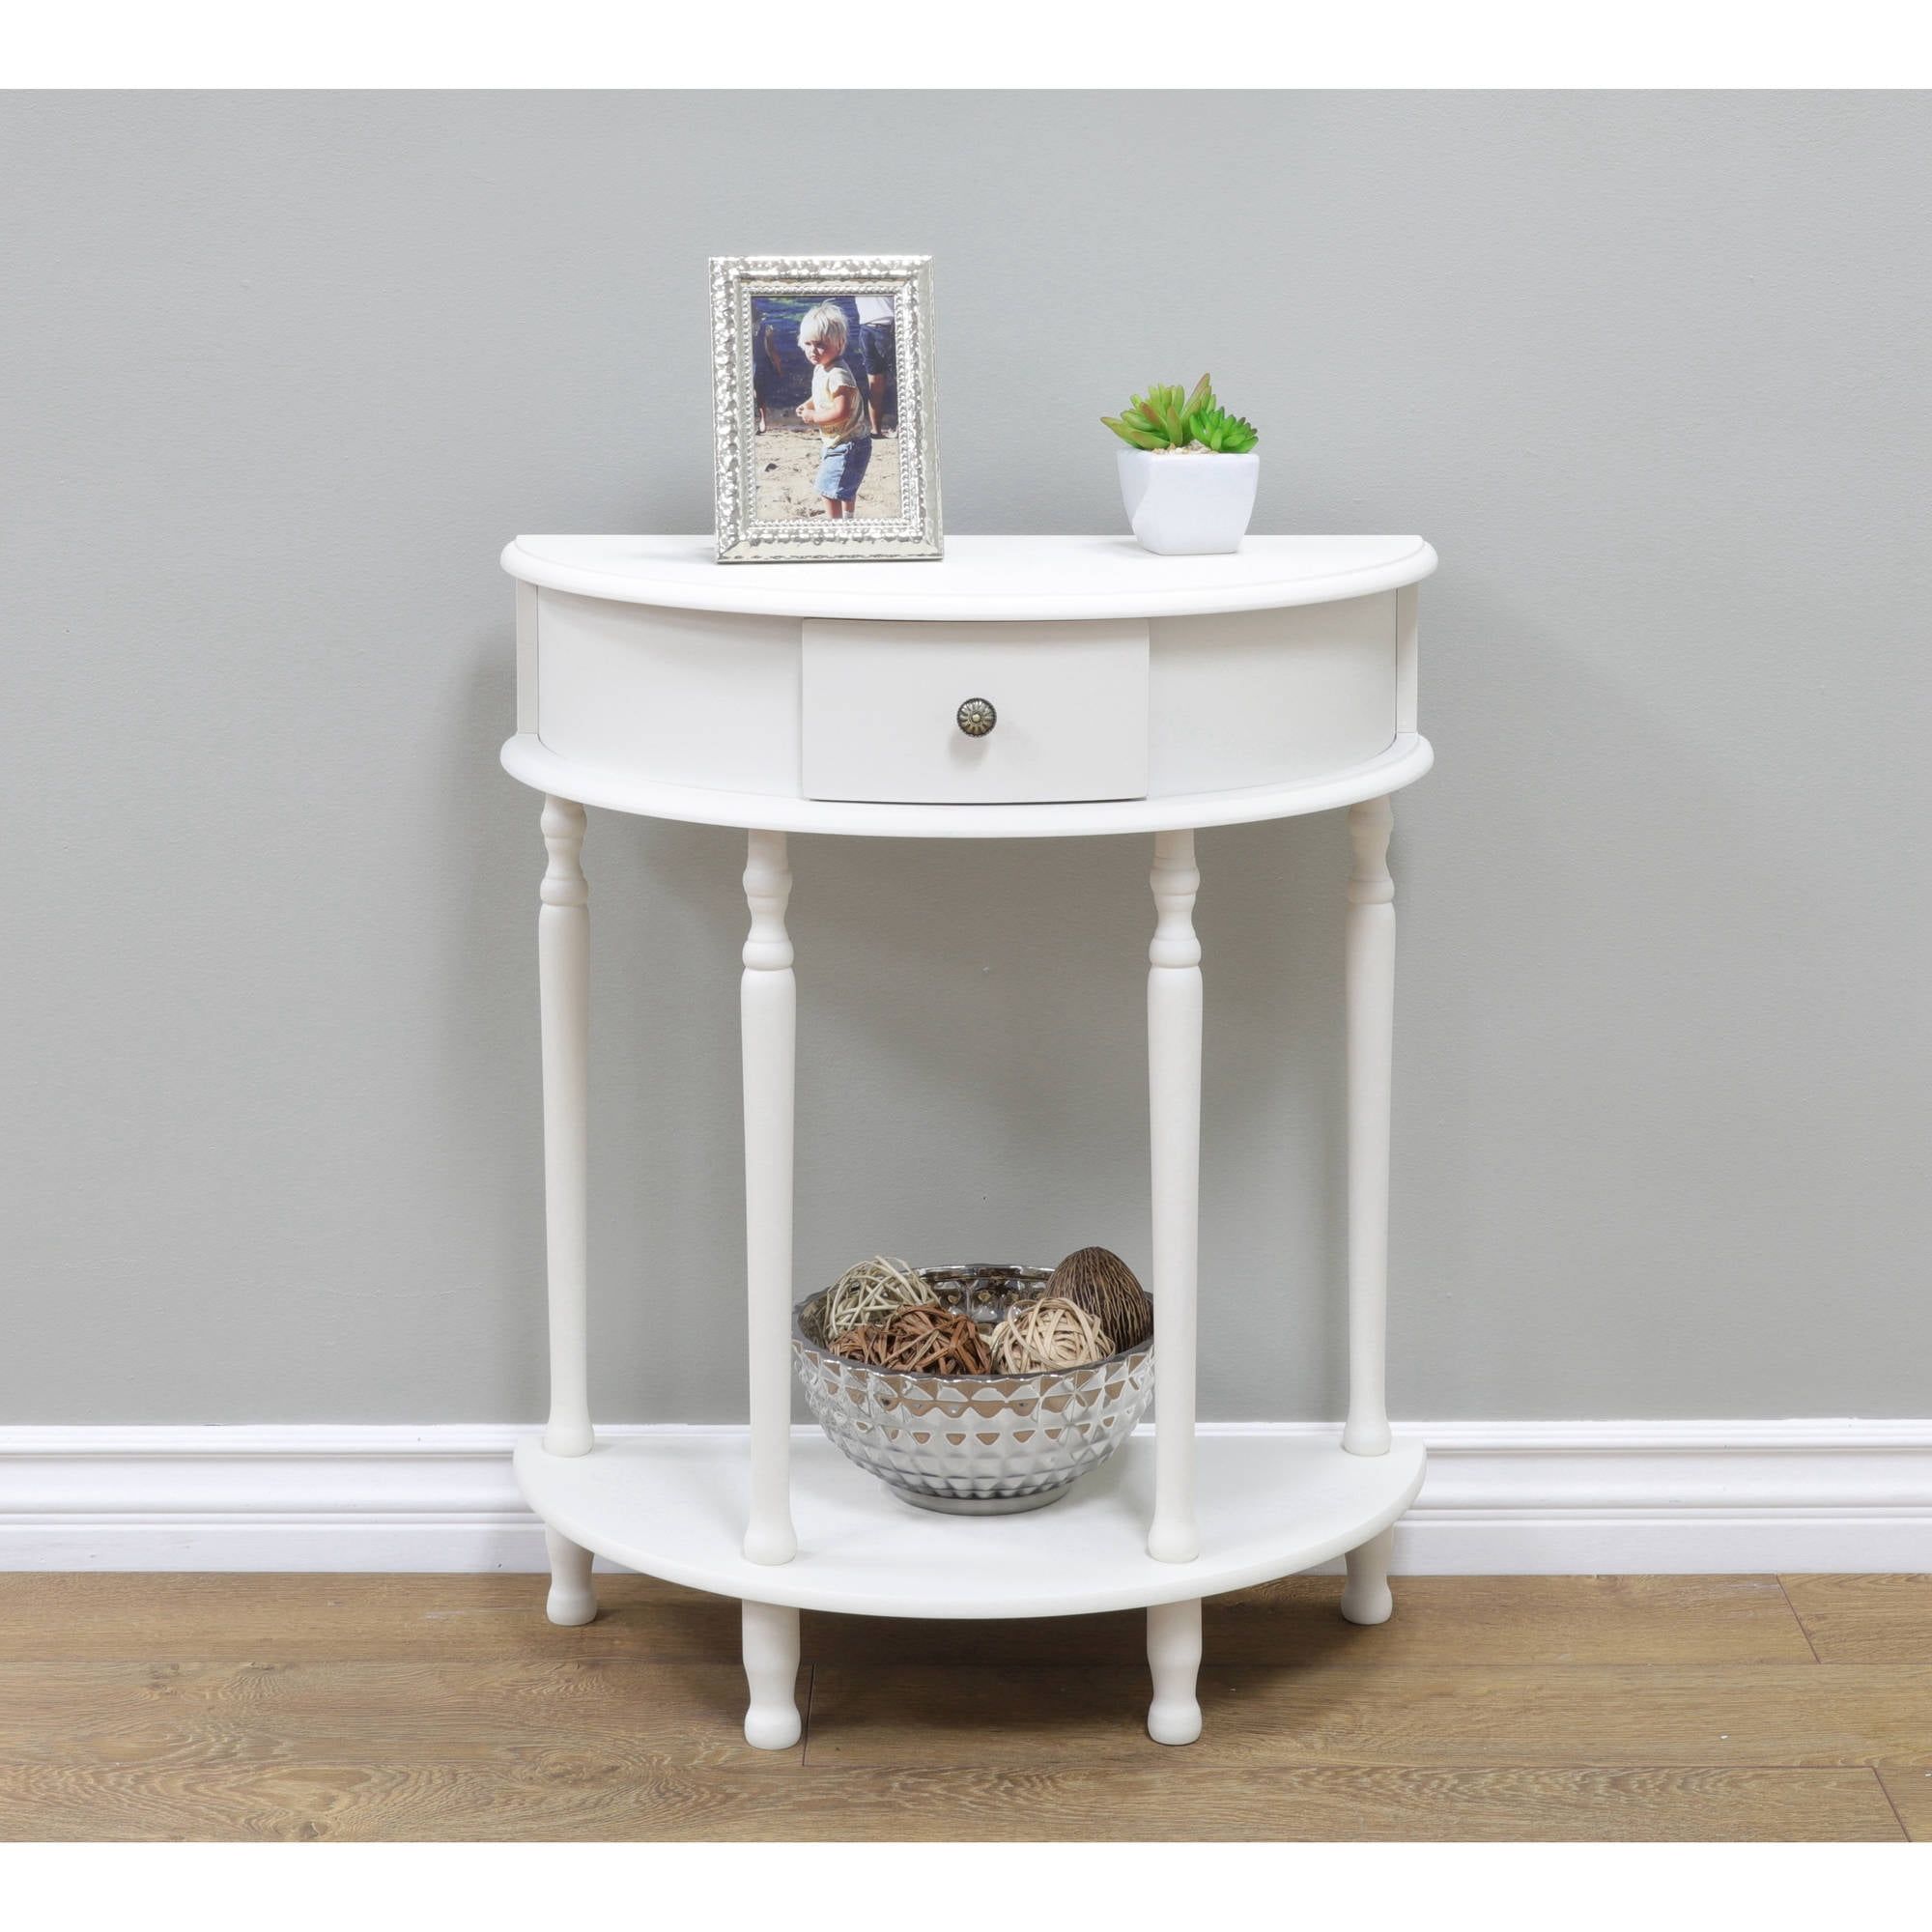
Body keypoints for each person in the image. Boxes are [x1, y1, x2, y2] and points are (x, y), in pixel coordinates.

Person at [794, 301, 871, 519]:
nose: (813, 351)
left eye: (820, 344)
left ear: (840, 344)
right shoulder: (822, 367)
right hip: (843, 440)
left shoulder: (838, 374)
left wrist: (814, 417)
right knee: (845, 486)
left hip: (848, 444)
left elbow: (842, 411)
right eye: (808, 344)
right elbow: (822, 393)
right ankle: (848, 520)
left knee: (828, 490)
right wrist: (810, 404)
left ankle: (835, 526)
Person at [854, 294, 895, 438]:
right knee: (899, 381)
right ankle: (894, 427)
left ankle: (876, 430)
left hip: (867, 329)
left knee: (875, 383)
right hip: (885, 327)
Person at [753, 322, 782, 434]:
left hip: (752, 364)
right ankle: (762, 421)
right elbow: (771, 350)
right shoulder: (766, 328)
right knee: (759, 393)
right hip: (761, 365)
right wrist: (779, 368)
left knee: (756, 393)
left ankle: (761, 421)